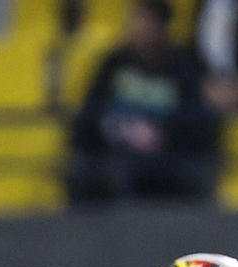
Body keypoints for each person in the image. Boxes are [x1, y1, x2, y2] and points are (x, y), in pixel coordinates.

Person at [68, 0, 218, 203]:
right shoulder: (114, 63)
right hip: (115, 156)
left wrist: (160, 136)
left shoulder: (183, 66)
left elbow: (196, 123)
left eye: (142, 20)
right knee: (90, 175)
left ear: (160, 25)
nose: (134, 27)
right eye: (132, 20)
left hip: (166, 159)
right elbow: (89, 113)